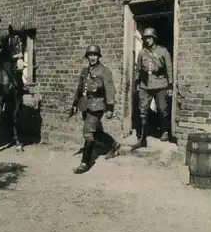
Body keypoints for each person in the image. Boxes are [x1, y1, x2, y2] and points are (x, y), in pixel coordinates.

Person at [71, 44, 121, 174]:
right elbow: (79, 88)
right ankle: (114, 145)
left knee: (88, 133)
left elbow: (110, 90)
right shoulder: (85, 71)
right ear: (87, 56)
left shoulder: (104, 71)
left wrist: (110, 108)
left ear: (99, 56)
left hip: (97, 105)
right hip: (85, 104)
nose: (92, 57)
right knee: (96, 132)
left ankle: (84, 163)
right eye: (90, 55)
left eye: (95, 55)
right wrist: (75, 104)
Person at [132, 27, 173, 151]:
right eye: (145, 38)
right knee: (142, 110)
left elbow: (169, 69)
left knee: (162, 109)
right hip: (145, 85)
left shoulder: (163, 51)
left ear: (154, 38)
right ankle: (142, 137)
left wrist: (170, 85)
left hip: (160, 84)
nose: (147, 40)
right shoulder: (142, 53)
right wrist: (137, 83)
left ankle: (165, 131)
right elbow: (138, 69)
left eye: (149, 38)